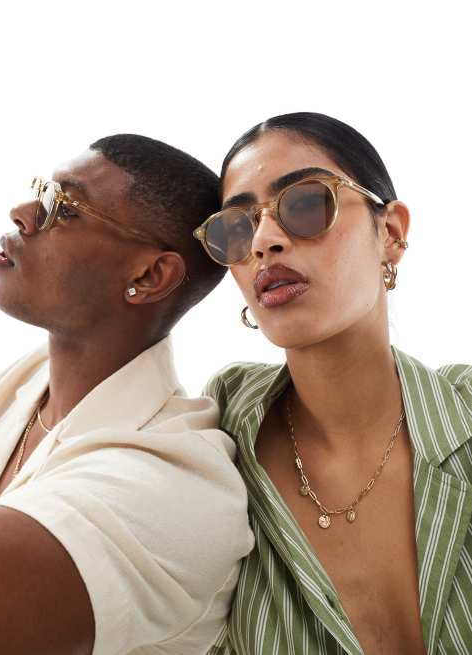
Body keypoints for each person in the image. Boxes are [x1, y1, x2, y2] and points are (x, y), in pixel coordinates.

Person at [0, 134, 254, 655]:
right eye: (42, 192)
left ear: (150, 274)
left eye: (65, 209)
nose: (22, 213)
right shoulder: (25, 386)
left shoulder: (178, 486)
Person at [196, 113, 472, 655]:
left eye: (304, 204)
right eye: (236, 229)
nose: (263, 242)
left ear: (390, 233)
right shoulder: (218, 441)